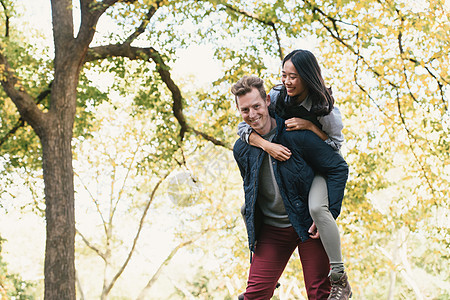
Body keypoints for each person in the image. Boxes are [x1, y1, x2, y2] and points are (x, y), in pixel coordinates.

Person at [237, 50, 352, 300]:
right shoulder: (243, 146)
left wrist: (310, 126)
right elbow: (250, 184)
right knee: (253, 295)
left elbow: (336, 160)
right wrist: (265, 144)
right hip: (272, 229)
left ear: (267, 101)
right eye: (245, 109)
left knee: (320, 294)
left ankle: (339, 275)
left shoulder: (309, 124)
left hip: (305, 222)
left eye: (257, 106)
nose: (253, 114)